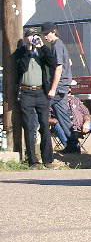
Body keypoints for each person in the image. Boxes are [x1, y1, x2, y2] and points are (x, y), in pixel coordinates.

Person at [14, 28, 55, 169]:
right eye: (30, 37)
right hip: (26, 93)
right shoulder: (20, 53)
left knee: (45, 125)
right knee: (30, 127)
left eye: (35, 36)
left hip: (41, 92)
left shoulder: (42, 51)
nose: (33, 39)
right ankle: (33, 161)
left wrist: (41, 46)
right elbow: (21, 68)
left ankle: (48, 160)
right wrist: (28, 50)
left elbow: (52, 63)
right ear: (26, 38)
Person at [42, 21, 80, 153]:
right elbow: (68, 62)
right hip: (64, 86)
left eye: (47, 34)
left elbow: (58, 68)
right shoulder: (60, 45)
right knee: (62, 116)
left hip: (59, 87)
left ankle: (40, 144)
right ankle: (73, 145)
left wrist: (53, 89)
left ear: (54, 32)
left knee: (40, 108)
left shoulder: (57, 46)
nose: (45, 37)